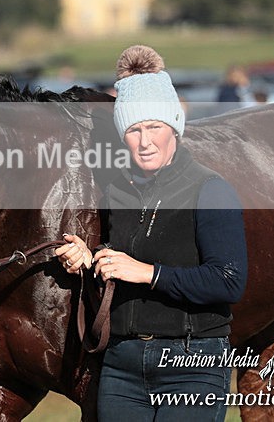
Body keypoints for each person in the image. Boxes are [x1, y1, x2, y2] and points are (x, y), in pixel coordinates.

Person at [56, 45, 248, 421]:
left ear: (174, 125)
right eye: (134, 129)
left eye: (154, 127)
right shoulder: (117, 192)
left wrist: (148, 273)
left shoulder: (210, 189)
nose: (145, 142)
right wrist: (91, 259)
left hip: (192, 362)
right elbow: (123, 262)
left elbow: (229, 281)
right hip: (122, 367)